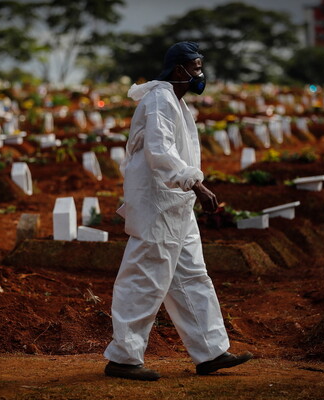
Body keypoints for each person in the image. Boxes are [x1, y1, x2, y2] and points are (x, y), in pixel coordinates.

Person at [103, 41, 253, 381]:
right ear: (178, 69)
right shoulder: (158, 100)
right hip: (158, 204)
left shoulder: (175, 102)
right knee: (144, 277)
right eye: (196, 67)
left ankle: (211, 352)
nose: (200, 73)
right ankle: (123, 358)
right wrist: (195, 184)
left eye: (201, 66)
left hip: (177, 205)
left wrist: (190, 188)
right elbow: (159, 151)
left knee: (192, 277)